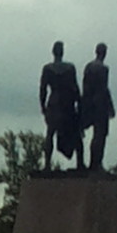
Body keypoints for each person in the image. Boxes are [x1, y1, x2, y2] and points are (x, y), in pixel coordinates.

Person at [39, 42, 83, 170]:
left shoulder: (47, 69)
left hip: (54, 103)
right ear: (62, 52)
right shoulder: (70, 68)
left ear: (53, 52)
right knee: (76, 134)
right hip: (67, 104)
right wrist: (79, 103)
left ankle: (47, 164)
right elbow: (75, 87)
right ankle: (80, 163)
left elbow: (43, 89)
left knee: (50, 133)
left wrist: (43, 106)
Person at [81, 42, 115, 171]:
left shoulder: (88, 66)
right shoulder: (103, 68)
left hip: (89, 103)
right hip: (100, 105)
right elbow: (104, 89)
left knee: (96, 135)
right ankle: (96, 163)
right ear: (104, 53)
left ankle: (91, 163)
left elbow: (85, 86)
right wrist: (110, 106)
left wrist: (84, 104)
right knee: (100, 135)